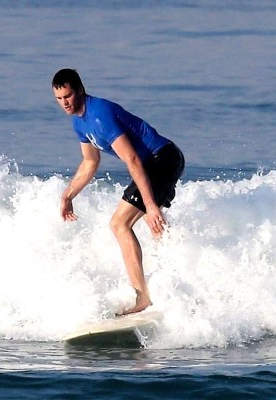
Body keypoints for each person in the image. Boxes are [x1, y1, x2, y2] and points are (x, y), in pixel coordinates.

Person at [52, 68, 184, 316]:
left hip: (162, 160)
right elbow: (90, 161)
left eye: (68, 96)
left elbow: (132, 159)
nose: (65, 103)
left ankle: (142, 297)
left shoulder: (99, 115)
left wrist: (150, 204)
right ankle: (179, 278)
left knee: (119, 223)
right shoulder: (79, 122)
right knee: (154, 225)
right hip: (155, 163)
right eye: (59, 98)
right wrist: (67, 195)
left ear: (80, 90)